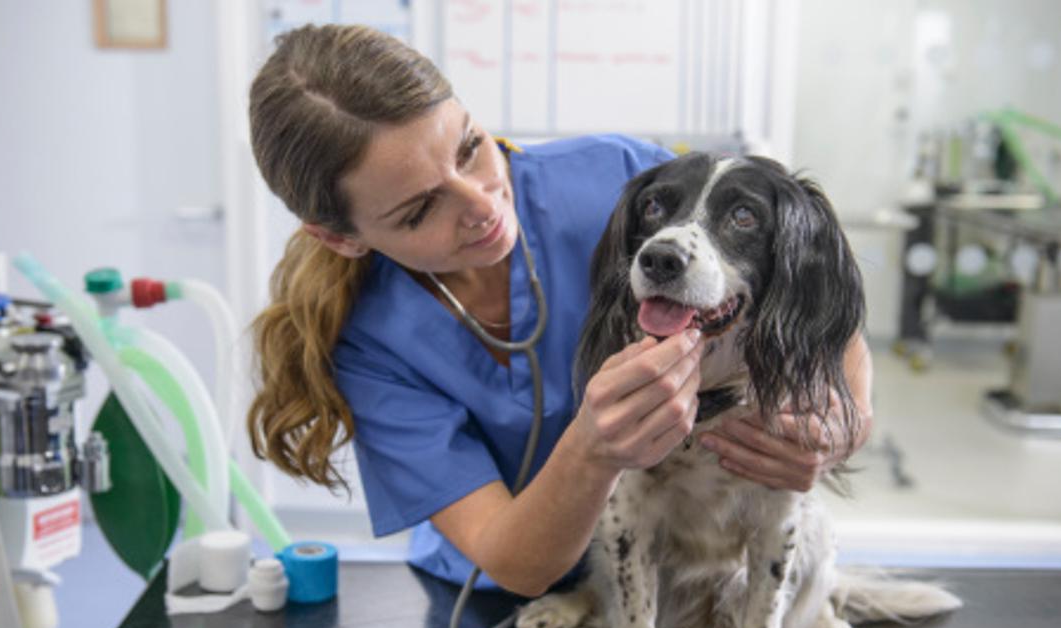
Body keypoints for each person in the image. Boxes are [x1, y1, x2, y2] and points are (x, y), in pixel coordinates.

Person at [246, 24, 872, 598]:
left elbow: (810, 293)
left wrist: (845, 420)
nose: (483, 204)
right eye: (418, 210)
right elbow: (515, 562)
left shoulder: (622, 179)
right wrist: (592, 450)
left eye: (469, 147)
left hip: (673, 574)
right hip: (502, 601)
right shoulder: (369, 345)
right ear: (342, 237)